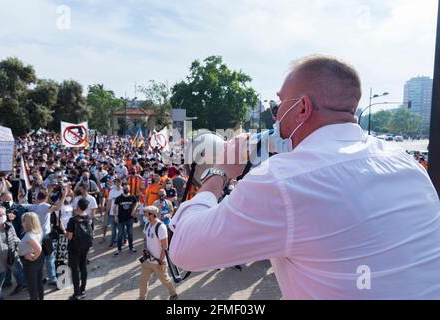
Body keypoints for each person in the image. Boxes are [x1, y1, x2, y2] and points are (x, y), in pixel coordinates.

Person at [169, 55, 440, 299]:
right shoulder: (407, 163)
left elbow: (184, 250)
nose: (275, 117)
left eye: (278, 106)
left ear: (301, 108)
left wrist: (222, 170)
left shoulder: (284, 181)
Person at [21, 190, 64, 287]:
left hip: (34, 237)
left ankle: (38, 278)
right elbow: (58, 208)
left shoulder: (32, 206)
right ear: (46, 197)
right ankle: (52, 278)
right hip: (45, 237)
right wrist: (63, 196)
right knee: (49, 258)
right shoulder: (45, 206)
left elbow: (21, 205)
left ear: (37, 198)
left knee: (37, 259)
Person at [139, 206, 177, 300]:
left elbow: (165, 246)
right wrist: (145, 249)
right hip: (147, 260)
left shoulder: (161, 227)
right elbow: (145, 239)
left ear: (152, 215)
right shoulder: (147, 224)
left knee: (165, 280)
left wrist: (160, 261)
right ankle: (141, 298)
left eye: (146, 213)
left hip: (158, 262)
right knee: (143, 280)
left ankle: (173, 294)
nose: (145, 215)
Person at [66, 198, 93, 300]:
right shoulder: (89, 218)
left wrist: (64, 230)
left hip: (75, 247)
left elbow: (69, 236)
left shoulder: (73, 220)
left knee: (75, 269)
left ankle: (76, 293)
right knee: (83, 267)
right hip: (85, 246)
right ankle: (82, 290)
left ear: (78, 206)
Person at [0, 206, 19, 300]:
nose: (2, 216)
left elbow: (15, 239)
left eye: (3, 214)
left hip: (4, 266)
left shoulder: (9, 226)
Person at [19, 212, 44, 300]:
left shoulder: (29, 235)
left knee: (32, 286)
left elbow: (38, 248)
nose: (22, 222)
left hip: (31, 262)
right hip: (38, 259)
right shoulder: (38, 231)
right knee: (38, 283)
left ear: (27, 222)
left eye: (23, 221)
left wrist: (33, 257)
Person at [113, 184, 138, 256]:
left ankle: (131, 247)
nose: (126, 189)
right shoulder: (119, 198)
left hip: (130, 218)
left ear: (129, 189)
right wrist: (115, 216)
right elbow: (114, 207)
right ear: (122, 188)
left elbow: (136, 203)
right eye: (125, 188)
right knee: (120, 234)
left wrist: (134, 210)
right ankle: (119, 249)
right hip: (121, 218)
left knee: (130, 233)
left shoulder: (132, 197)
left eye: (127, 188)